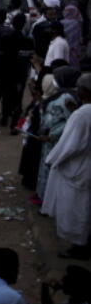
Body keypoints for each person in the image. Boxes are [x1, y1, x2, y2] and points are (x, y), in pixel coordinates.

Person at [42, 73, 91, 259]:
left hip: (78, 167)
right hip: (85, 165)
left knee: (78, 209)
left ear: (82, 91)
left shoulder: (82, 115)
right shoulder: (81, 112)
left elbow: (69, 144)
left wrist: (52, 159)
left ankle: (79, 246)